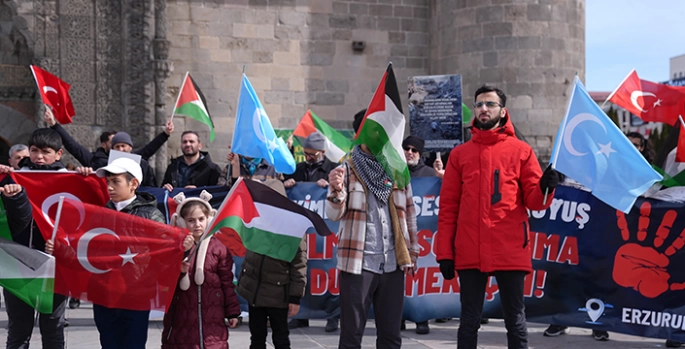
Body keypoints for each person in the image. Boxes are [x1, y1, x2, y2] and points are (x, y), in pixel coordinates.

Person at [436, 85, 561, 349]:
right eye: (479, 104)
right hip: (470, 246)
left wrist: (546, 187)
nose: (483, 108)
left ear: (503, 111)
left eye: (490, 104)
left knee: (515, 318)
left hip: (511, 246)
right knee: (469, 319)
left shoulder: (521, 151)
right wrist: (444, 253)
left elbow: (535, 203)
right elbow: (448, 208)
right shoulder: (459, 155)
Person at [326, 140, 419, 348]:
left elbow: (410, 212)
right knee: (351, 336)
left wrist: (412, 251)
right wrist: (336, 191)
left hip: (393, 263)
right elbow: (333, 215)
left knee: (391, 337)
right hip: (359, 264)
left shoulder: (397, 169)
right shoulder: (347, 169)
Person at [0, 128, 69, 349]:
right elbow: (18, 221)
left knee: (53, 328)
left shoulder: (70, 181)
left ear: (58, 154)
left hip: (56, 267)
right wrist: (13, 194)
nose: (39, 157)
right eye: (34, 151)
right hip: (18, 264)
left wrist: (87, 175)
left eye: (46, 151)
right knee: (19, 329)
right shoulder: (14, 179)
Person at [88, 157, 165, 348]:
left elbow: (165, 252)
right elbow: (88, 250)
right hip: (104, 293)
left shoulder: (151, 215)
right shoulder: (101, 214)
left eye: (116, 181)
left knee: (134, 343)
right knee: (108, 342)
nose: (110, 187)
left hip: (136, 295)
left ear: (134, 184)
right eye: (108, 182)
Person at [162, 190, 241, 349]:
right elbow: (163, 282)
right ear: (182, 222)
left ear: (209, 219)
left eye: (201, 219)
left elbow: (227, 283)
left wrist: (233, 312)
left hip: (212, 323)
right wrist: (179, 268)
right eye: (191, 220)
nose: (197, 224)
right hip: (180, 321)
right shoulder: (173, 247)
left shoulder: (219, 248)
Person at [236, 179, 308, 349]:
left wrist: (295, 298)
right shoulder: (254, 222)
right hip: (255, 292)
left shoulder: (292, 229)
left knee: (281, 338)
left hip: (278, 295)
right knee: (257, 338)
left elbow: (299, 266)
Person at [284, 132, 339, 332]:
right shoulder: (297, 170)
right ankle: (300, 315)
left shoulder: (333, 169)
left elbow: (343, 194)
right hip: (303, 232)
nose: (307, 157)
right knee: (302, 271)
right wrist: (289, 185)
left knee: (329, 275)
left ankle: (333, 317)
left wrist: (330, 187)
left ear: (322, 152)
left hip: (326, 234)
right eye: (305, 153)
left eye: (312, 154)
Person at [44, 107, 173, 181]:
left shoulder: (136, 161)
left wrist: (165, 134)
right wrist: (54, 125)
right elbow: (73, 146)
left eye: (124, 146)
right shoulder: (95, 160)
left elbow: (149, 149)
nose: (121, 149)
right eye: (117, 146)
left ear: (130, 148)